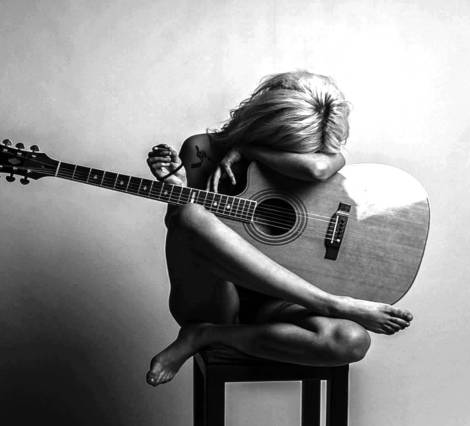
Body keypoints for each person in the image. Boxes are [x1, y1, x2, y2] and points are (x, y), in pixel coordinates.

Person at [144, 71, 413, 386]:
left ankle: (207, 336)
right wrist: (176, 194)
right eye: (293, 148)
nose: (305, 158)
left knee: (351, 341)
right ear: (268, 126)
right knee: (190, 214)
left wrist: (249, 150)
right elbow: (185, 236)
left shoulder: (314, 154)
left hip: (279, 302)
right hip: (215, 297)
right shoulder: (201, 150)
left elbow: (319, 167)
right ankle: (329, 303)